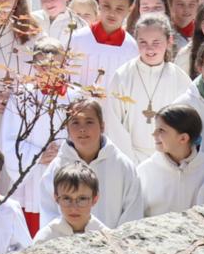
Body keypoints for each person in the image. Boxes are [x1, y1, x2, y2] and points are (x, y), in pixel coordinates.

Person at [35, 97, 144, 230]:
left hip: (114, 246)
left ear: (102, 126)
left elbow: (132, 213)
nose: (82, 129)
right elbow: (49, 215)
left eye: (89, 122)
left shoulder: (122, 166)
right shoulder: (56, 168)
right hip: (68, 247)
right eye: (75, 122)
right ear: (67, 128)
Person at [104, 13, 194, 162]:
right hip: (130, 157)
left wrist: (173, 156)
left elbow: (186, 122)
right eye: (143, 42)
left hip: (170, 158)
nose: (149, 48)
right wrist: (129, 161)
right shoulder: (123, 76)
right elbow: (114, 124)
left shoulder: (179, 78)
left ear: (169, 41)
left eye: (156, 42)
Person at [137, 104, 204, 216]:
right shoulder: (145, 171)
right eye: (155, 129)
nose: (153, 134)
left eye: (161, 130)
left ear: (183, 138)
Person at [67, 0, 138, 89]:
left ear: (130, 8)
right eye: (106, 6)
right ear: (99, 1)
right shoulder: (78, 39)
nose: (112, 14)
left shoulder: (131, 48)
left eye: (119, 9)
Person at [33, 162, 111, 242]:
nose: (73, 208)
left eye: (82, 199)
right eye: (66, 198)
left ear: (95, 199)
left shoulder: (107, 237)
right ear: (56, 198)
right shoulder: (44, 239)